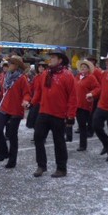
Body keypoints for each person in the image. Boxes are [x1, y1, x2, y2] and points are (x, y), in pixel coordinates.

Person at [30, 48, 76, 177]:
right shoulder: (45, 73)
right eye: (51, 57)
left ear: (60, 60)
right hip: (44, 111)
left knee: (59, 141)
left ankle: (61, 168)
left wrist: (71, 115)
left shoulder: (67, 75)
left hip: (59, 114)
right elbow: (39, 91)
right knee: (38, 138)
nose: (50, 59)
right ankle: (41, 165)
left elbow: (72, 97)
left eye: (53, 57)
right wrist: (32, 103)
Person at [0, 55, 31, 168]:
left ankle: (12, 159)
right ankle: (3, 152)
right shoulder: (6, 76)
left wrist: (25, 100)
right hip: (4, 108)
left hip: (15, 110)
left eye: (10, 63)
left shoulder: (22, 78)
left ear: (16, 66)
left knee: (12, 135)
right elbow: (2, 91)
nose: (8, 65)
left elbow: (27, 93)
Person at [74, 59, 99, 151]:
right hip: (77, 105)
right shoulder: (77, 77)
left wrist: (92, 93)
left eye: (85, 67)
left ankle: (83, 145)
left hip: (85, 104)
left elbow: (98, 88)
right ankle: (82, 144)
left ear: (88, 69)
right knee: (81, 125)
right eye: (82, 67)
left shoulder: (91, 78)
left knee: (82, 126)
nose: (83, 69)